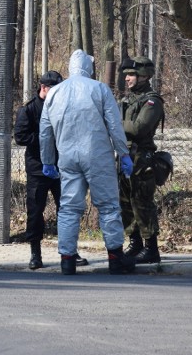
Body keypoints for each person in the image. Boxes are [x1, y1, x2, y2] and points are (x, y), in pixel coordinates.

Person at [39, 50, 136, 276]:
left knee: (69, 209)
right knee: (109, 206)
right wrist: (124, 154)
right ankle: (115, 257)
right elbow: (114, 125)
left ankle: (67, 259)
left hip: (68, 157)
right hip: (97, 156)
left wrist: (48, 160)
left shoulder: (54, 93)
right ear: (88, 67)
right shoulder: (99, 89)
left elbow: (45, 131)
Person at [13, 71, 88, 270]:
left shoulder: (63, 107)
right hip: (38, 169)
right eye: (55, 89)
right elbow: (20, 137)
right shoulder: (28, 110)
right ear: (44, 88)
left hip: (62, 166)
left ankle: (70, 252)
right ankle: (35, 254)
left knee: (67, 210)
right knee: (35, 212)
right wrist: (44, 139)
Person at [119, 56, 165, 264]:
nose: (127, 79)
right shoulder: (128, 100)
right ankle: (134, 243)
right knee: (125, 203)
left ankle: (151, 248)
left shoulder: (152, 100)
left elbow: (139, 128)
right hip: (125, 155)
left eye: (131, 75)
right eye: (127, 75)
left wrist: (115, 123)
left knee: (141, 202)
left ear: (144, 76)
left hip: (142, 158)